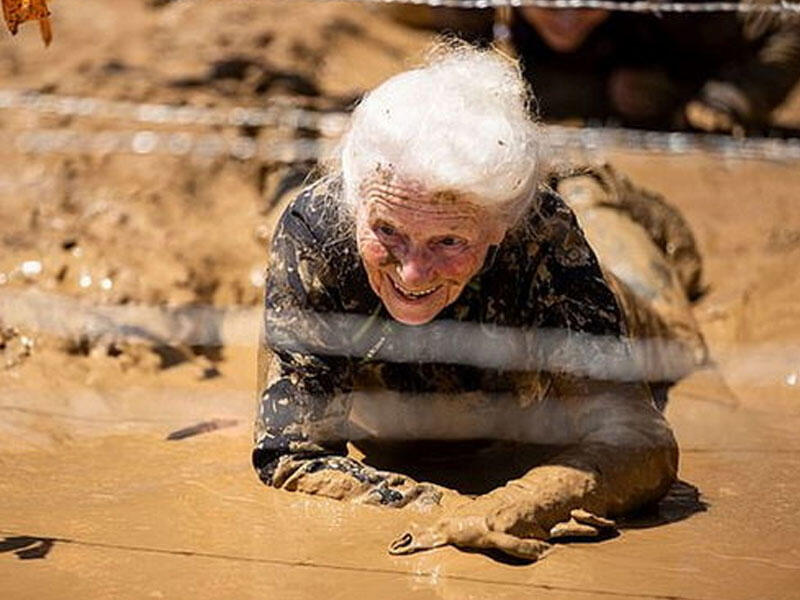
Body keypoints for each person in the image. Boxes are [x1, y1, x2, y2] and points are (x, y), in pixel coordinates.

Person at [252, 43, 706, 560]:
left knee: (680, 340)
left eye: (449, 242)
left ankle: (591, 189)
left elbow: (639, 440)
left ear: (500, 230)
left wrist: (521, 503)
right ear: (356, 202)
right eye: (387, 230)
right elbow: (291, 454)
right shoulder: (315, 231)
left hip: (594, 313)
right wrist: (448, 508)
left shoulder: (541, 236)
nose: (412, 272)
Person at [511, 2, 800, 132]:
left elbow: (789, 26)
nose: (567, 18)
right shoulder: (475, 15)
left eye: (586, 5)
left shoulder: (674, 13)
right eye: (550, 5)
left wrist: (726, 101)